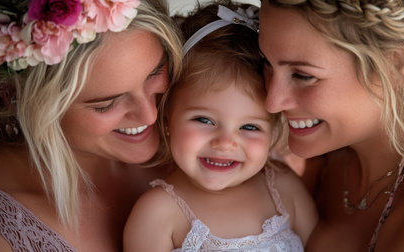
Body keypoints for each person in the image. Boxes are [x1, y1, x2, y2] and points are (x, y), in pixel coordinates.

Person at [0, 0, 182, 251]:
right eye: (106, 104)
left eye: (154, 73)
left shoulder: (206, 140)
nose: (150, 115)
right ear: (15, 98)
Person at [123, 1, 318, 251]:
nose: (225, 142)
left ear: (273, 130)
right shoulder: (158, 213)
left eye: (250, 127)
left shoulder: (283, 186)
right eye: (204, 120)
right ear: (166, 118)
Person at [258, 0, 404, 251]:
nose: (272, 102)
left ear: (397, 63)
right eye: (265, 61)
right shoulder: (302, 160)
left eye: (303, 75)